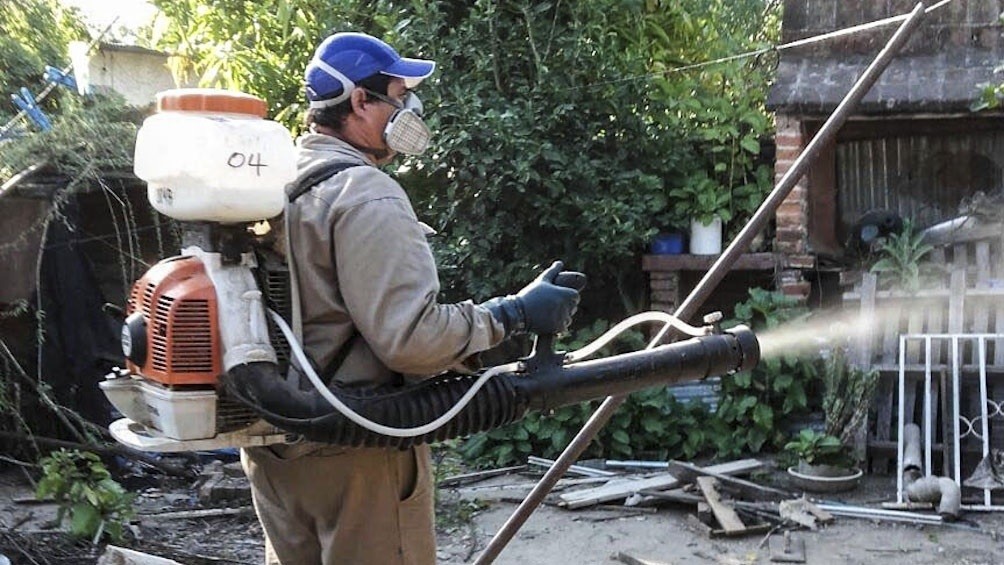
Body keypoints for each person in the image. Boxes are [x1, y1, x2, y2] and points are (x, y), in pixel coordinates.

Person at [241, 32, 582, 565]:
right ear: (359, 101)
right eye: (399, 96)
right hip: (358, 454)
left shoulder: (278, 184)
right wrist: (511, 314)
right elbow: (411, 339)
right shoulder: (366, 193)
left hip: (280, 448)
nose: (410, 109)